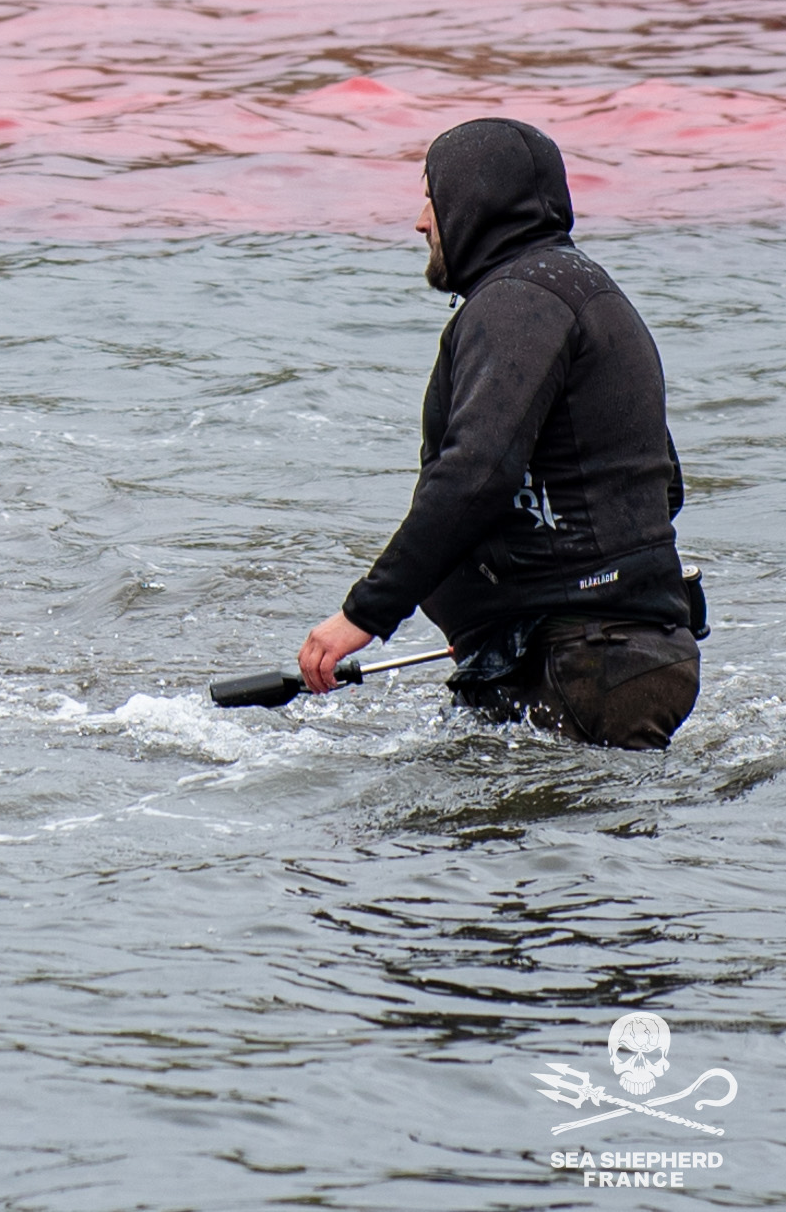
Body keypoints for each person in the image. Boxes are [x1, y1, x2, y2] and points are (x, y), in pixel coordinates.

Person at [295, 118, 700, 749]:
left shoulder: (518, 301)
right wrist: (504, 608)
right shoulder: (588, 291)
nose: (421, 223)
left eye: (432, 199)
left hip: (581, 661)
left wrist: (363, 615)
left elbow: (475, 475)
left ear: (476, 203)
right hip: (631, 654)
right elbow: (661, 488)